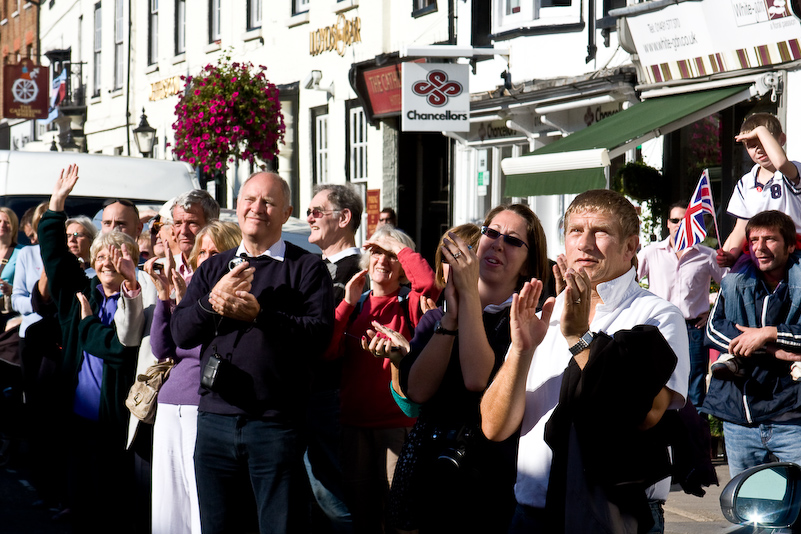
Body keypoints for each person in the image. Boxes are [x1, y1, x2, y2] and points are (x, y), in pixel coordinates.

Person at [480, 189, 689, 533]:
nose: (585, 243)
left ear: (631, 246)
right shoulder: (541, 315)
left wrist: (579, 339)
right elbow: (494, 427)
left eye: (601, 232)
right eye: (575, 230)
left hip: (615, 513)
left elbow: (647, 413)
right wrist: (520, 351)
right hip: (531, 513)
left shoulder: (657, 316)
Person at [171, 172, 334, 534]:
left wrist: (261, 315)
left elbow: (318, 337)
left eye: (268, 202)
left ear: (285, 212)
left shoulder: (307, 268)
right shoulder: (214, 267)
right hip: (215, 421)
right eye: (249, 199)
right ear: (238, 206)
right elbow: (181, 333)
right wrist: (211, 303)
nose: (256, 208)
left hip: (275, 425)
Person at [394, 208, 548, 533]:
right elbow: (417, 392)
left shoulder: (526, 326)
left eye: (513, 241)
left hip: (486, 479)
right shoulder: (437, 318)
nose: (497, 245)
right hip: (430, 469)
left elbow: (476, 378)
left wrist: (467, 297)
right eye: (491, 233)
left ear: (528, 265)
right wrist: (451, 317)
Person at [40, 165, 144, 534]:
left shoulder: (136, 300)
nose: (106, 262)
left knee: (110, 480)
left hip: (114, 410)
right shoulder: (82, 293)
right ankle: (75, 507)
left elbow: (119, 350)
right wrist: (56, 204)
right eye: (100, 255)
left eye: (116, 256)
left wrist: (86, 326)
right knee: (78, 464)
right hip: (77, 402)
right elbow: (54, 257)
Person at [324, 225, 439, 534]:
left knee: (397, 515)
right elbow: (328, 351)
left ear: (403, 264)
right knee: (361, 514)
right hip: (353, 426)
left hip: (397, 426)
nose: (383, 261)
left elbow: (428, 284)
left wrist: (393, 244)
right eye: (376, 252)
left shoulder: (410, 305)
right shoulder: (356, 305)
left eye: (391, 255)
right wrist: (346, 303)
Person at [149, 220, 241, 534]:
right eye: (202, 252)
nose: (205, 259)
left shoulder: (235, 298)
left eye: (214, 252)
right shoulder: (189, 290)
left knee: (200, 501)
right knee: (167, 503)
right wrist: (165, 298)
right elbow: (162, 348)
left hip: (201, 406)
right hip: (169, 402)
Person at [703, 210, 801, 477]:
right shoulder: (734, 281)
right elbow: (713, 329)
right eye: (753, 240)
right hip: (740, 418)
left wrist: (770, 332)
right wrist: (770, 348)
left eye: (770, 239)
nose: (759, 247)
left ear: (791, 245)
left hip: (794, 418)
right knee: (748, 506)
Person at [306, 183, 365, 533]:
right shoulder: (311, 266)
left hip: (332, 393)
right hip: (304, 390)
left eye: (317, 211)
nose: (309, 217)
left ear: (344, 218)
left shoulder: (362, 269)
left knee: (327, 489)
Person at [638, 202, 727, 408]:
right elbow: (629, 280)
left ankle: (692, 436)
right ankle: (662, 434)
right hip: (659, 327)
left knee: (694, 385)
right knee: (657, 380)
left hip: (693, 329)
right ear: (667, 224)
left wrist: (713, 312)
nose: (679, 224)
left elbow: (729, 287)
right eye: (675, 220)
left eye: (684, 220)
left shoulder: (707, 255)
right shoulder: (652, 252)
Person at [717, 113, 801, 269]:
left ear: (781, 140)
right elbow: (742, 227)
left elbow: (781, 163)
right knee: (733, 283)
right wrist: (730, 253)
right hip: (759, 251)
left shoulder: (794, 171)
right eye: (751, 145)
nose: (759, 149)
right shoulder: (745, 183)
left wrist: (761, 130)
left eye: (763, 141)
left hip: (795, 248)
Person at [170, 189, 220, 280]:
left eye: (192, 223)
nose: (183, 231)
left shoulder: (223, 267)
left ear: (213, 225)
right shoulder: (160, 269)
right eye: (178, 223)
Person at [0, 207, 22, 326]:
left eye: (7, 222)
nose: (2, 225)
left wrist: (11, 289)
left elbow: (31, 286)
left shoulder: (22, 252)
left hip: (9, 313)